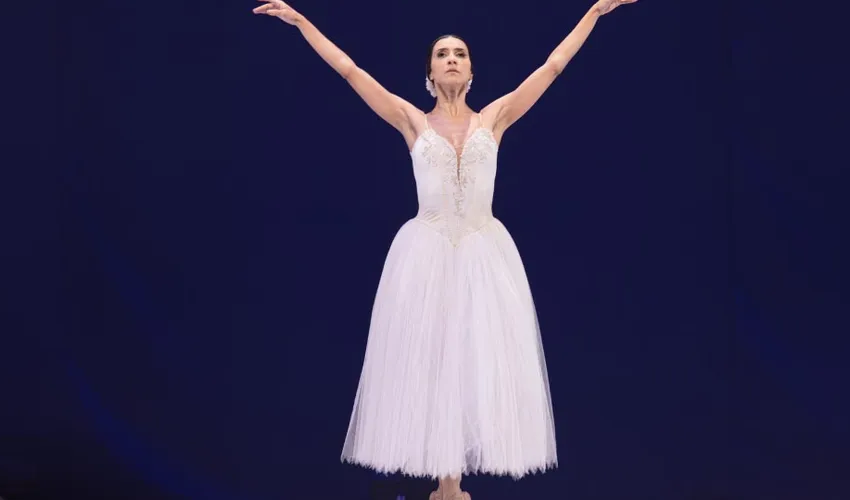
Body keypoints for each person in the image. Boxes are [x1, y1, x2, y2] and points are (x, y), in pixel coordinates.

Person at [252, 1, 638, 498]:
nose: (452, 59)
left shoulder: (495, 118)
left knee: (474, 365)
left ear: (471, 71)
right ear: (430, 74)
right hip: (427, 253)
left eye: (460, 53)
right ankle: (446, 488)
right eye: (442, 54)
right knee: (434, 364)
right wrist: (302, 22)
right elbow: (349, 70)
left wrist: (594, 13)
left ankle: (451, 490)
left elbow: (553, 66)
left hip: (483, 252)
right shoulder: (411, 121)